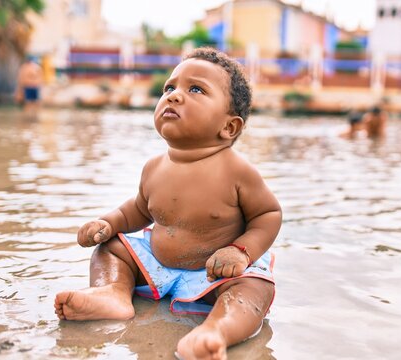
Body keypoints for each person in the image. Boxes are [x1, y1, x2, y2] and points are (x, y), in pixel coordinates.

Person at [54, 48, 282, 360]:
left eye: (196, 89)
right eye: (170, 88)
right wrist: (107, 223)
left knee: (253, 290)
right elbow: (137, 210)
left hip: (217, 274)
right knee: (111, 249)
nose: (174, 96)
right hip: (158, 264)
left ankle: (218, 329)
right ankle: (113, 293)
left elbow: (268, 215)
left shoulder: (237, 170)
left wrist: (240, 251)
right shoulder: (153, 167)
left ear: (229, 127)